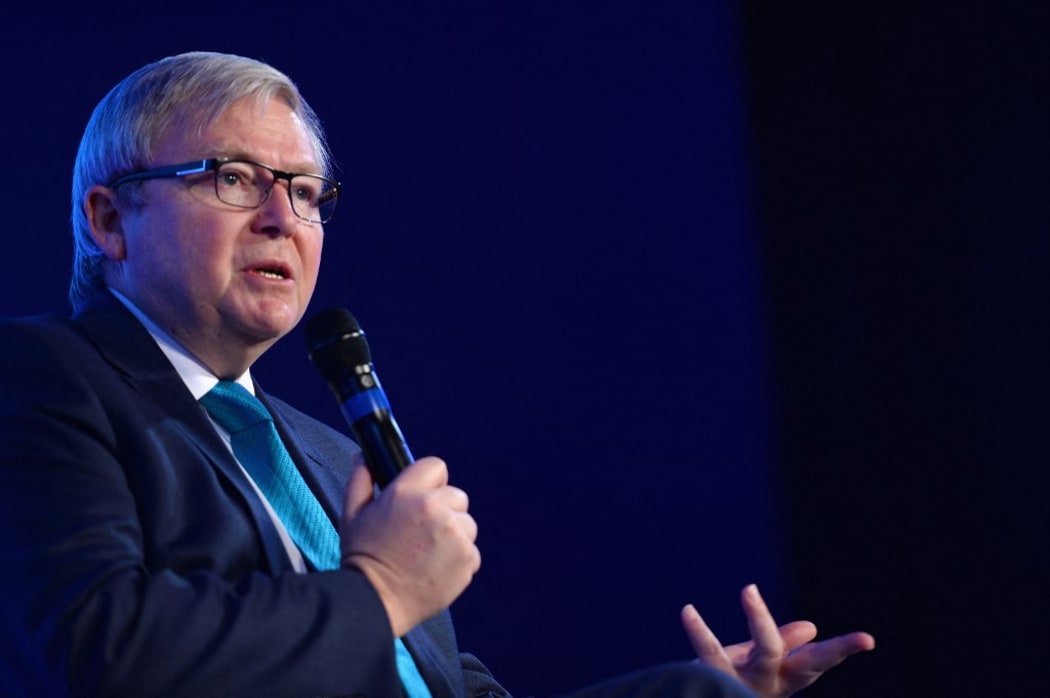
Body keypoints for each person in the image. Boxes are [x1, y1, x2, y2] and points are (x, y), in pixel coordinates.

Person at [0, 51, 873, 697]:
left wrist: (703, 695)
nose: (282, 218)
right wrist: (380, 588)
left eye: (306, 193)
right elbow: (96, 651)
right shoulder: (44, 378)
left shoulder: (330, 457)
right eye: (233, 177)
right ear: (110, 219)